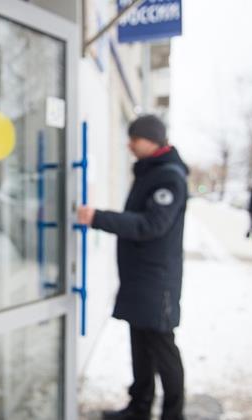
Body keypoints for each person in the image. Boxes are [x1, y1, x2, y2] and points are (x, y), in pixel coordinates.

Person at [77, 115, 188, 420]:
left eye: (134, 139)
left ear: (151, 140)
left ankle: (173, 414)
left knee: (163, 349)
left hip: (157, 281)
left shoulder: (169, 177)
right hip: (141, 278)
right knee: (140, 346)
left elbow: (152, 224)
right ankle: (139, 408)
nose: (129, 145)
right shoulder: (150, 172)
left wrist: (98, 218)